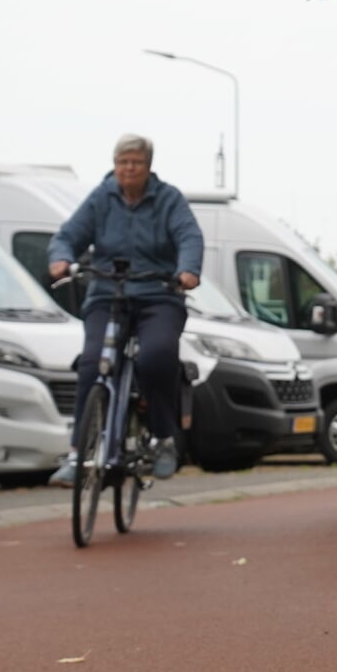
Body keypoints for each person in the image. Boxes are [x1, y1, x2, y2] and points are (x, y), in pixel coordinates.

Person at [47, 134, 203, 485]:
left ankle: (162, 438)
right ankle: (78, 454)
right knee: (91, 363)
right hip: (108, 294)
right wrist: (61, 259)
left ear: (148, 167)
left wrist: (188, 270)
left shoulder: (168, 200)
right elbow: (68, 235)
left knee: (156, 356)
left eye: (135, 162)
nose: (128, 169)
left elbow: (188, 236)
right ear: (114, 165)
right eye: (122, 162)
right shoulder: (102, 197)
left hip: (158, 294)